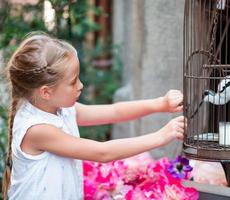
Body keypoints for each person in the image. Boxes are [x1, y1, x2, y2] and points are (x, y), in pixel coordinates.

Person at [2, 33, 185, 200]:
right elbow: (102, 152)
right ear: (46, 92)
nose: (80, 86)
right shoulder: (37, 129)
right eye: (73, 82)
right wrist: (161, 136)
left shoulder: (59, 108)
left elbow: (114, 112)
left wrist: (160, 104)